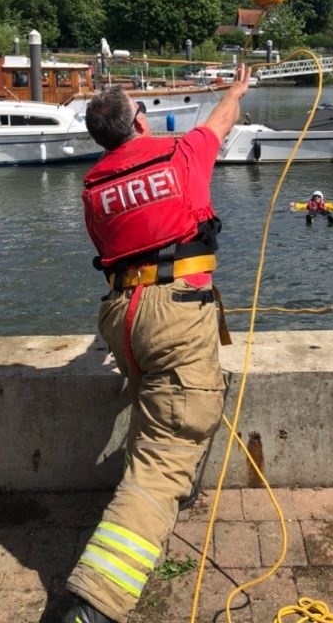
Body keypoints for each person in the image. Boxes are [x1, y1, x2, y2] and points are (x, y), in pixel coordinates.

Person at [63, 65, 253, 623]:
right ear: (140, 121)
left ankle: (167, 487)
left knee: (159, 408)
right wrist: (236, 90)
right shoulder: (179, 153)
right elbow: (221, 121)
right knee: (166, 452)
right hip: (175, 313)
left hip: (122, 317)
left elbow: (109, 252)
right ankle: (95, 601)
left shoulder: (93, 187)